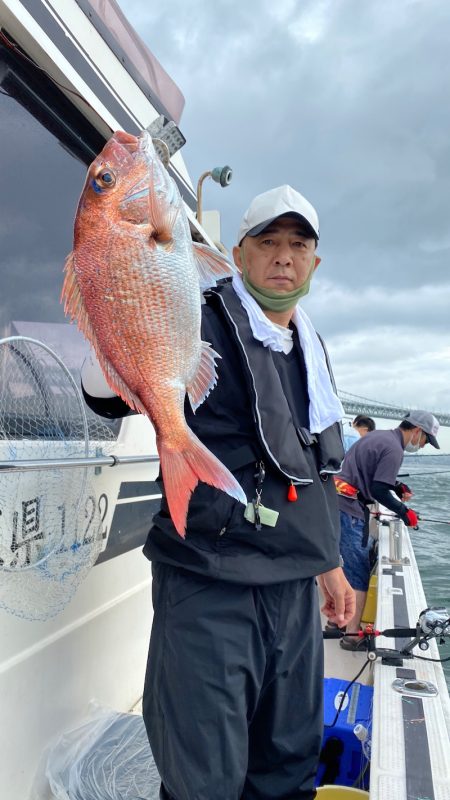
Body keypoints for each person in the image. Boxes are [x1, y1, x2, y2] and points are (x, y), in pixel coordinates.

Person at [82, 184, 355, 800]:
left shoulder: (311, 348)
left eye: (298, 245)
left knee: (288, 763)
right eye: (268, 241)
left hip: (293, 588)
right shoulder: (198, 314)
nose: (283, 256)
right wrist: (115, 297)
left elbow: (311, 465)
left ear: (314, 262)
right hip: (210, 583)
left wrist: (331, 564)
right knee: (202, 775)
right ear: (237, 253)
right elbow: (102, 396)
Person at [336, 410, 440, 650]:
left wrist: (398, 485)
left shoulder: (380, 436)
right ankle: (352, 636)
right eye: (425, 440)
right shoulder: (395, 449)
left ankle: (336, 622)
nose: (422, 445)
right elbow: (379, 490)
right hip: (349, 509)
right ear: (417, 431)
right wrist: (405, 512)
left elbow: (373, 474)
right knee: (358, 572)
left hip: (337, 502)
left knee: (341, 566)